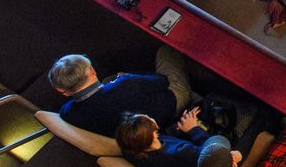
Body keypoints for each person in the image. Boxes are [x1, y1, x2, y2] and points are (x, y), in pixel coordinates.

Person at [47, 51, 191, 136]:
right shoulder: (125, 84)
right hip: (170, 104)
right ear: (92, 70)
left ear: (61, 90)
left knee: (109, 80)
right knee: (166, 52)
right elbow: (162, 81)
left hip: (139, 132)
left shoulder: (67, 113)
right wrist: (131, 77)